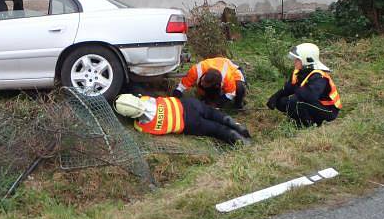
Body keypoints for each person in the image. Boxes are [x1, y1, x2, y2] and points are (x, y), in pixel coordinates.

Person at [115, 93, 251, 145]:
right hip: (188, 104)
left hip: (188, 123)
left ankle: (238, 139)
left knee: (215, 129)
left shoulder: (141, 127)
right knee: (213, 114)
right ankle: (233, 123)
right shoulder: (146, 99)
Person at [266, 43, 341, 127]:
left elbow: (309, 96)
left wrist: (294, 88)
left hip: (328, 110)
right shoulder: (299, 71)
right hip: (313, 104)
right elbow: (289, 87)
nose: (294, 61)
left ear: (306, 60)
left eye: (297, 59)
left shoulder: (318, 76)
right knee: (281, 102)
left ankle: (309, 125)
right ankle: (298, 119)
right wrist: (275, 96)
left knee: (295, 101)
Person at [173, 57, 246, 109]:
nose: (201, 84)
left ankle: (238, 105)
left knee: (240, 88)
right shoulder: (196, 70)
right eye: (202, 81)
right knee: (206, 98)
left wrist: (217, 103)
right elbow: (182, 86)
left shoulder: (227, 77)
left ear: (216, 85)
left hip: (232, 69)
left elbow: (231, 93)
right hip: (215, 66)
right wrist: (175, 97)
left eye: (205, 84)